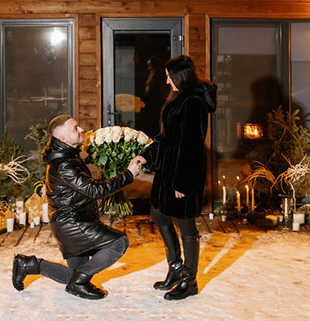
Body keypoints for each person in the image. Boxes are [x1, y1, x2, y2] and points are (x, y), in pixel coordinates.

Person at [12, 114, 143, 299]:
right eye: (75, 128)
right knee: (118, 242)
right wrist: (127, 175)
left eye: (78, 126)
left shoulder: (67, 156)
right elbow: (93, 190)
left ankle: (28, 265)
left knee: (74, 275)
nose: (81, 130)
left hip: (69, 223)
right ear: (63, 139)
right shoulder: (64, 164)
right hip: (73, 224)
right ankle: (78, 283)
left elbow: (86, 187)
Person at [133, 55, 217, 300]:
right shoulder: (179, 98)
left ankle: (190, 281)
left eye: (169, 75)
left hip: (182, 173)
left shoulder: (193, 103)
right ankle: (175, 267)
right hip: (168, 171)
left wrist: (183, 183)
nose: (167, 80)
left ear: (179, 75)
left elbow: (192, 145)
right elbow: (166, 137)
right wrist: (145, 156)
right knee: (158, 213)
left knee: (186, 224)